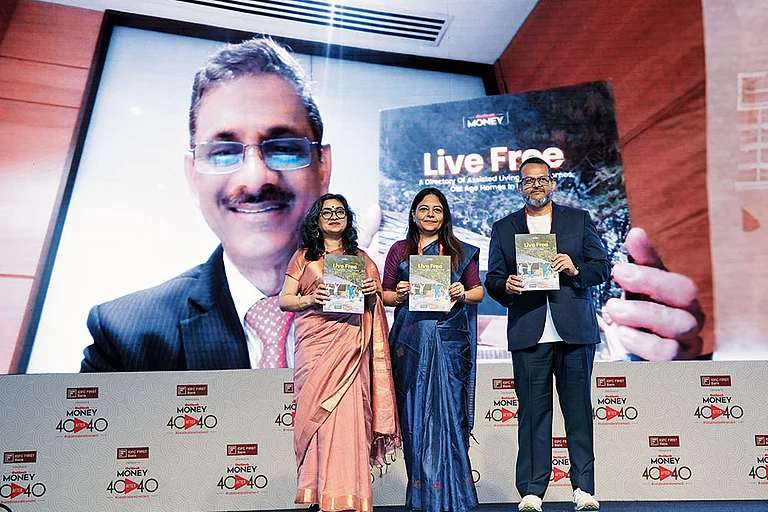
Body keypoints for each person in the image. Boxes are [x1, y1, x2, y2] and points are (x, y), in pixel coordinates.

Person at [80, 37, 330, 371]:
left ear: (323, 166)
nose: (256, 179)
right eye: (224, 153)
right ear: (193, 177)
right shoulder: (126, 338)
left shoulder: (384, 313)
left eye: (283, 147)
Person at [485, 157, 610, 512]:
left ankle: (583, 489)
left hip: (574, 331)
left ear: (553, 183)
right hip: (529, 330)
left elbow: (600, 268)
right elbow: (493, 279)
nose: (536, 185)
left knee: (578, 412)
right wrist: (505, 286)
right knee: (532, 415)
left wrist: (574, 268)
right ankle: (532, 491)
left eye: (542, 179)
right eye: (528, 181)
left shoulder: (578, 220)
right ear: (519, 187)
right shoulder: (504, 227)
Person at [279, 193, 399, 512]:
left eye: (340, 212)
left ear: (348, 219)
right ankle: (318, 494)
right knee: (316, 419)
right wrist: (309, 299)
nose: (334, 216)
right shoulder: (304, 257)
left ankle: (347, 494)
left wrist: (374, 294)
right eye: (327, 212)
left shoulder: (361, 259)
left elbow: (382, 300)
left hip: (351, 347)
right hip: (315, 347)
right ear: (317, 219)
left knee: (348, 418)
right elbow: (285, 300)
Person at [382, 187, 484, 512]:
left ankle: (457, 500)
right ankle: (423, 499)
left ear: (445, 216)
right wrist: (398, 293)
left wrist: (461, 292)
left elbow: (478, 292)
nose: (430, 215)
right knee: (414, 421)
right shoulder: (399, 250)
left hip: (449, 342)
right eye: (423, 209)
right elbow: (383, 295)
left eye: (436, 210)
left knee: (451, 419)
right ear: (413, 214)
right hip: (411, 343)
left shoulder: (458, 251)